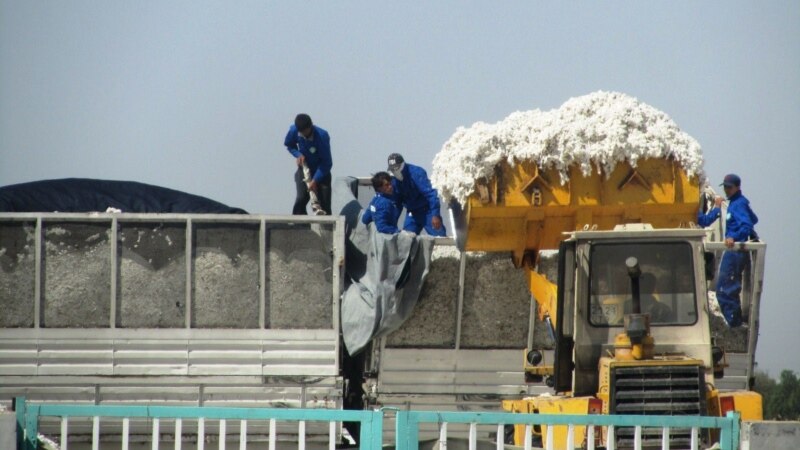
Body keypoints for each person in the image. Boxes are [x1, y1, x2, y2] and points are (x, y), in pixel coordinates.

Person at [697, 174, 759, 327]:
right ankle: (735, 322)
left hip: (735, 251)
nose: (726, 190)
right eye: (724, 186)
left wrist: (734, 237)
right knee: (729, 288)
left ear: (737, 187)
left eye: (729, 187)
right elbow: (754, 219)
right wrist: (717, 207)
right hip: (735, 252)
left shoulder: (738, 204)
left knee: (724, 290)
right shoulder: (737, 203)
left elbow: (747, 225)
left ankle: (734, 325)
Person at [386, 153, 446, 236]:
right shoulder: (394, 181)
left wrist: (435, 215)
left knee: (440, 238)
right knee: (406, 240)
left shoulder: (417, 173)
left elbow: (431, 194)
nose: (395, 172)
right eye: (392, 170)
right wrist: (392, 222)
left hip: (427, 211)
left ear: (403, 165)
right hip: (412, 213)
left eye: (397, 168)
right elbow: (397, 202)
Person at [283, 114, 333, 215]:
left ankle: (327, 228)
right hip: (305, 170)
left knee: (325, 204)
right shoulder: (294, 131)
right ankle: (299, 227)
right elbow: (289, 145)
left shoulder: (322, 136)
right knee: (301, 199)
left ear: (311, 126)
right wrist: (298, 155)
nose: (304, 134)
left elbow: (327, 163)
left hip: (321, 172)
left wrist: (315, 180)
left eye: (306, 131)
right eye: (301, 132)